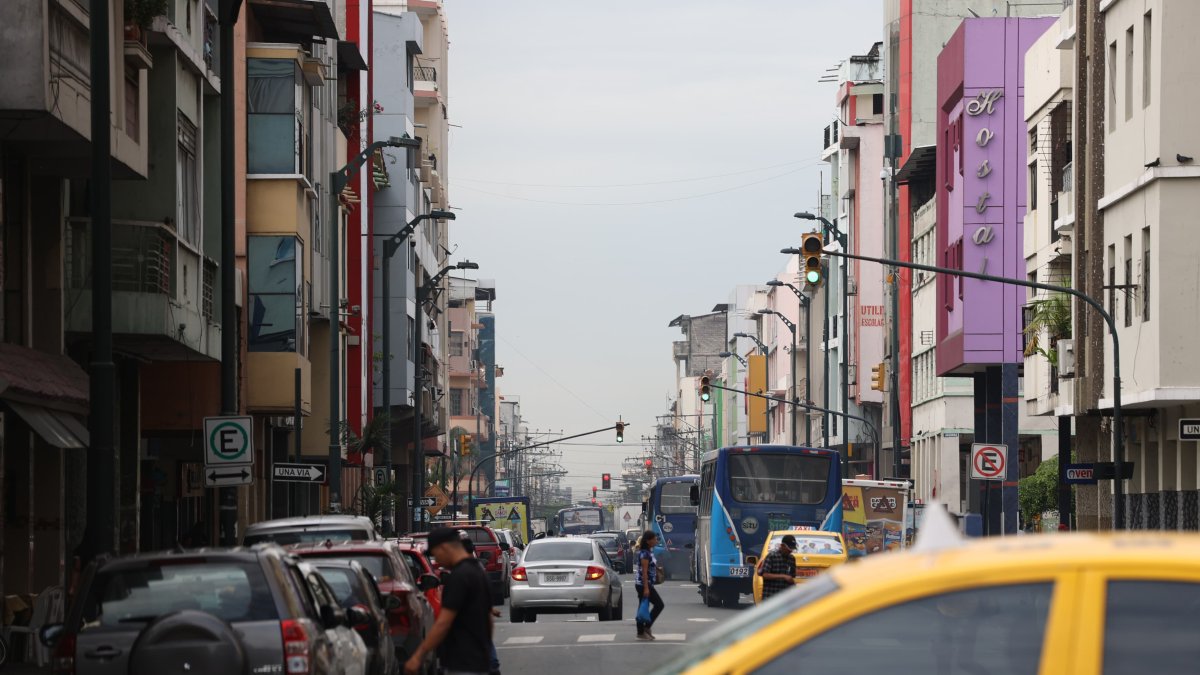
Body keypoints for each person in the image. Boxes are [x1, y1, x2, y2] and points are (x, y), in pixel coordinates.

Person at [405, 527, 493, 675]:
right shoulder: (479, 572)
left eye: (435, 554)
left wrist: (418, 656)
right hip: (480, 661)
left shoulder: (459, 576)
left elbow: (443, 623)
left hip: (461, 663)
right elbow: (488, 620)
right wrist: (486, 649)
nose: (437, 561)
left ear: (444, 548)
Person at [634, 530, 664, 641]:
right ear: (648, 541)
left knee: (643, 606)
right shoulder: (644, 554)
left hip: (645, 584)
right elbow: (644, 572)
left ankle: (641, 631)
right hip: (643, 584)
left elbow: (651, 565)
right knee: (659, 604)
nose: (656, 540)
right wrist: (646, 588)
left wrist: (657, 569)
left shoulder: (649, 552)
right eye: (654, 539)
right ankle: (646, 628)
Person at [757, 534, 797, 602]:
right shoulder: (772, 556)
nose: (790, 551)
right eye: (789, 549)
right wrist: (783, 576)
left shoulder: (792, 559)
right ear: (782, 546)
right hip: (770, 597)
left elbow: (791, 577)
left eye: (792, 549)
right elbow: (765, 575)